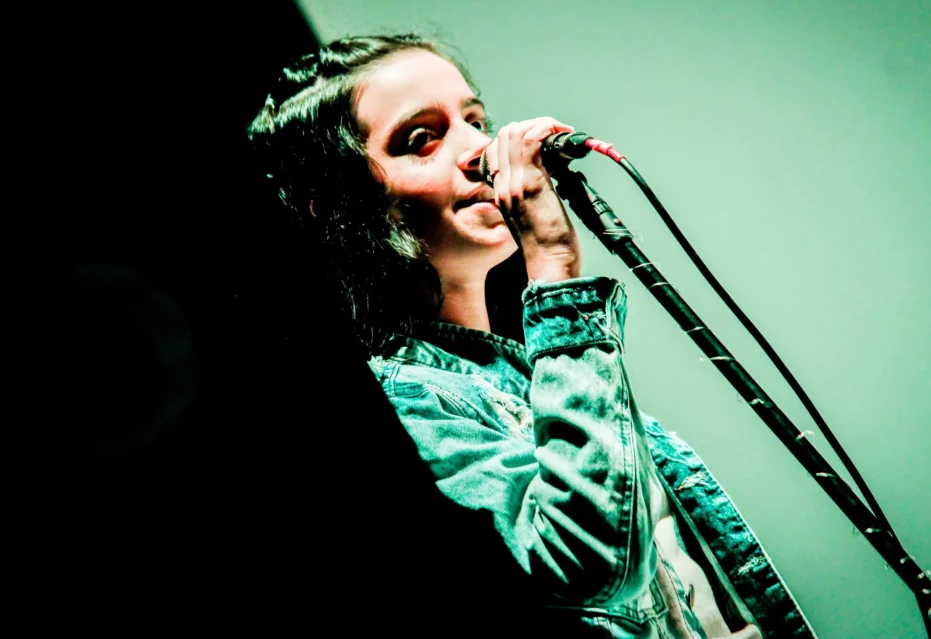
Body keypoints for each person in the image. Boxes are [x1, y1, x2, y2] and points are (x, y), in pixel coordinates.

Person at [247, 32, 817, 638]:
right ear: (336, 203)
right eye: (422, 139)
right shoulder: (408, 405)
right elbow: (590, 564)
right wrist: (552, 262)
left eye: (475, 121)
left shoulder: (526, 375)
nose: (479, 150)